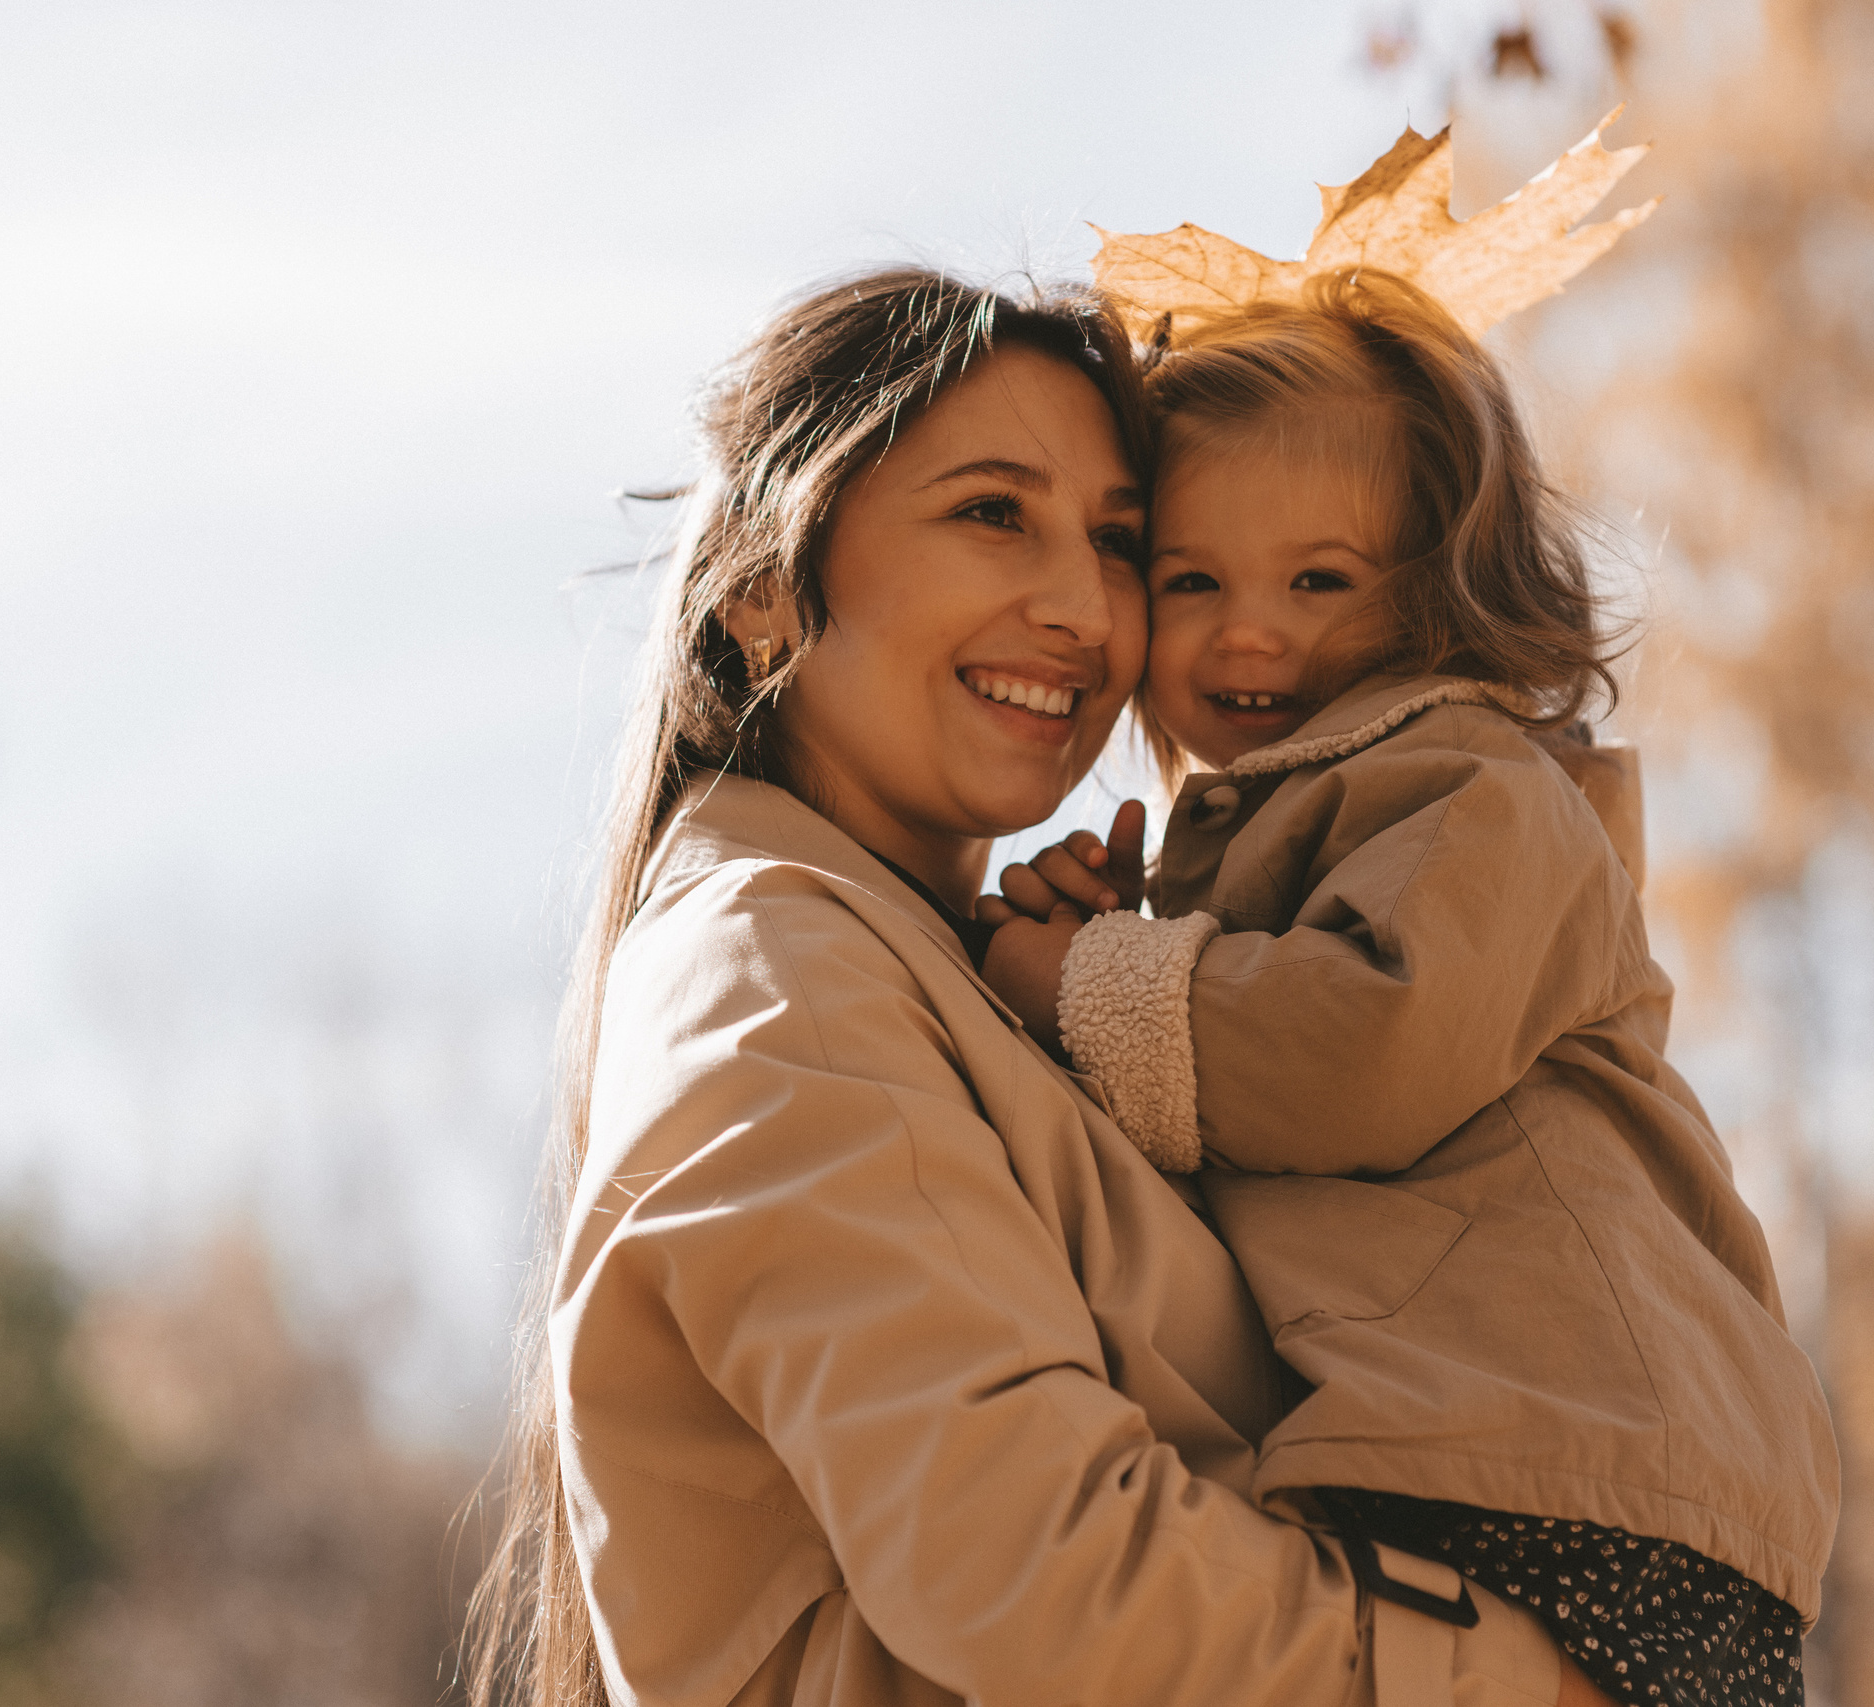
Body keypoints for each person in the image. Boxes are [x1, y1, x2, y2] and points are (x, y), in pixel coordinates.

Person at [467, 266, 1620, 1707]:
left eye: (1123, 543)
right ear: (764, 590)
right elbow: (1047, 1576)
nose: (1082, 606)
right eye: (991, 512)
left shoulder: (971, 993)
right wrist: (1532, 1683)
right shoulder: (775, 975)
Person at [979, 270, 1841, 1706]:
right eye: (1193, 581)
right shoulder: (1283, 832)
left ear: (1445, 592)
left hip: (1595, 1458)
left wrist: (1089, 980)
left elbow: (1360, 1048)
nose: (1249, 632)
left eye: (1320, 580)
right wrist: (1088, 970)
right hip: (1495, 1453)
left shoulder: (1479, 790)